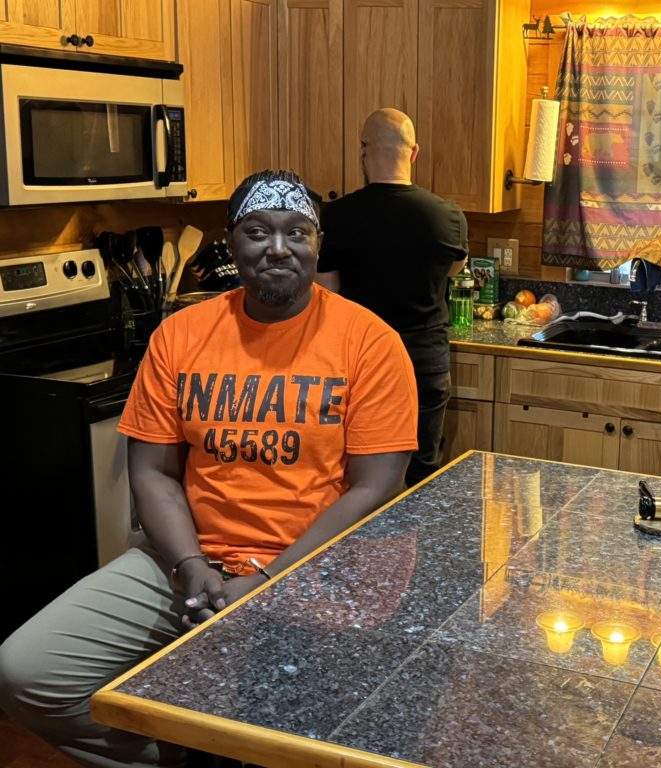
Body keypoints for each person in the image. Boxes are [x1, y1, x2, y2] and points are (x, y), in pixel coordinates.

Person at [0, 170, 419, 768]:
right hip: (190, 558)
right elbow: (153, 472)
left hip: (317, 569)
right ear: (231, 242)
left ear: (318, 243)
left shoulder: (369, 343)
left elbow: (375, 487)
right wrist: (190, 564)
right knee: (28, 671)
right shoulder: (182, 335)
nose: (278, 248)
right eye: (258, 231)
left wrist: (268, 580)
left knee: (288, 728)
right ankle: (177, 757)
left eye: (297, 232)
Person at [316, 108, 468, 488]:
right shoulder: (448, 217)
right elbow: (453, 269)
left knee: (361, 477)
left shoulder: (335, 217)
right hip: (424, 362)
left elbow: (328, 292)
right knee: (421, 471)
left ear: (363, 151)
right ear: (414, 153)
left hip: (362, 364)